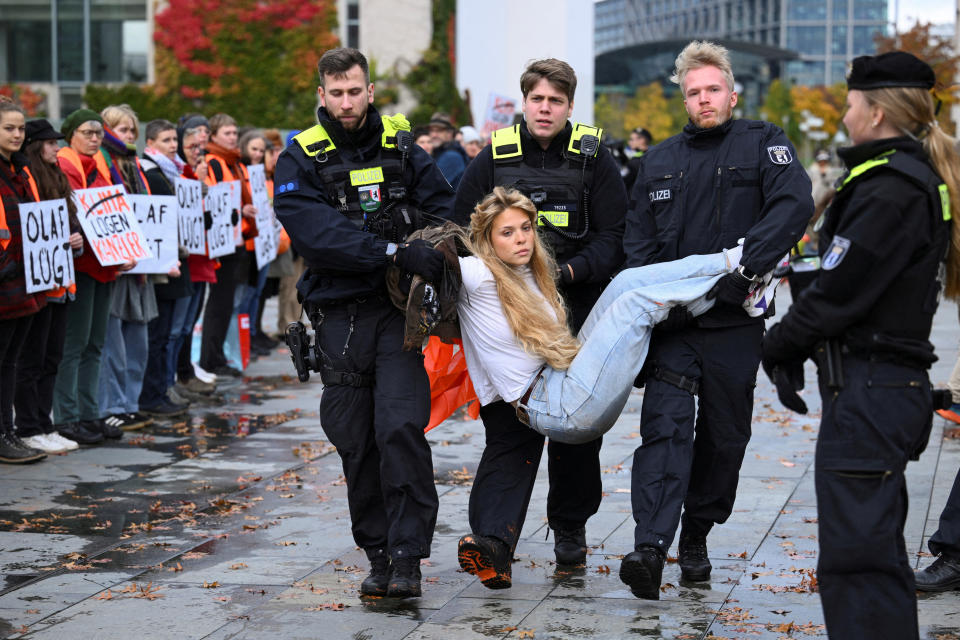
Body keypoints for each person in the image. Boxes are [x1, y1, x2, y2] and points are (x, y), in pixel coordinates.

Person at [453, 186, 747, 586]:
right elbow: (435, 266)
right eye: (507, 233)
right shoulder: (477, 272)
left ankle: (736, 259)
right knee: (633, 306)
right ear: (486, 241)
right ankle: (729, 292)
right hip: (557, 406)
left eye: (526, 228)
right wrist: (412, 254)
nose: (521, 238)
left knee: (625, 282)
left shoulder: (530, 272)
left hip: (565, 382)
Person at [762, 51, 960, 639]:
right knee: (872, 559)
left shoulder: (891, 188)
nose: (845, 117)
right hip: (874, 388)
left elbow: (840, 292)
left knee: (859, 565)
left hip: (873, 391)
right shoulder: (894, 179)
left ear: (875, 113)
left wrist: (778, 345)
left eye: (850, 106)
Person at [620, 40, 812, 599]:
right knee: (665, 430)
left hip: (734, 321)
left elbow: (793, 205)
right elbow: (639, 242)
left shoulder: (765, 143)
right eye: (693, 93)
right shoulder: (658, 160)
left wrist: (748, 270)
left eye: (712, 90)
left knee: (724, 439)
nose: (704, 101)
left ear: (732, 91)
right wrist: (660, 300)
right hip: (676, 328)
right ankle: (650, 548)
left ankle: (696, 536)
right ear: (683, 99)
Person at [273, 47, 455, 599]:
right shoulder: (300, 158)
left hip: (398, 318)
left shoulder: (402, 146)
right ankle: (377, 553)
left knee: (400, 429)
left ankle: (408, 559)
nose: (347, 102)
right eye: (336, 92)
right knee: (356, 442)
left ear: (370, 92)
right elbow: (317, 236)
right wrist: (395, 250)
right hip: (338, 321)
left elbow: (445, 212)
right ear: (321, 96)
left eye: (355, 91)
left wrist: (425, 241)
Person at [454, 58, 627, 569]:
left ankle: (569, 528)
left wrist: (567, 274)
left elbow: (617, 237)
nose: (545, 108)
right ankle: (491, 543)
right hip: (506, 317)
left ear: (570, 106)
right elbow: (460, 229)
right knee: (510, 430)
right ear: (524, 102)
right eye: (537, 99)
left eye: (555, 101)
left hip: (576, 311)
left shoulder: (594, 158)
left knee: (576, 432)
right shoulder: (494, 155)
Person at [53, 109, 135, 446]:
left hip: (105, 266)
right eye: (88, 132)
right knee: (75, 345)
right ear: (71, 134)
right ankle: (67, 417)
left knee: (95, 344)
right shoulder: (65, 167)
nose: (95, 138)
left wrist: (125, 248)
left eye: (99, 133)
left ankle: (90, 413)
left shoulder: (102, 165)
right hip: (81, 268)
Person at [14, 119, 85, 454]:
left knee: (52, 356)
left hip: (62, 282)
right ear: (36, 145)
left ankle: (44, 422)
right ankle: (28, 425)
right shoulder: (29, 178)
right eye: (51, 142)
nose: (58, 147)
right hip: (41, 285)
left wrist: (76, 240)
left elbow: (71, 226)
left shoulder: (58, 178)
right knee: (33, 358)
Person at [97, 104, 161, 429]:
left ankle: (129, 402)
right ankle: (112, 405)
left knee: (138, 341)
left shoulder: (134, 165)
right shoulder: (103, 164)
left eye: (132, 130)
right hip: (118, 265)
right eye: (122, 130)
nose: (129, 136)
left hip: (140, 266)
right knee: (114, 346)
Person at [138, 118, 199, 415]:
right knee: (161, 334)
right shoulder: (151, 173)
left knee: (168, 334)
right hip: (165, 263)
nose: (173, 146)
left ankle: (162, 389)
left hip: (177, 260)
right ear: (150, 144)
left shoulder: (173, 172)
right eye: (166, 141)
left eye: (174, 140)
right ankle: (153, 394)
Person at [0, 99, 47, 464]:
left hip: (23, 280)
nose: (17, 135)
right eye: (9, 128)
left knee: (10, 362)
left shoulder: (21, 170)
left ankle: (8, 431)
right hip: (6, 279)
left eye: (20, 128)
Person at [199, 112, 256, 378]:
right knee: (219, 304)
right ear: (213, 136)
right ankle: (211, 358)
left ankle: (216, 355)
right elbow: (215, 197)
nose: (233, 138)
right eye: (227, 134)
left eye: (235, 133)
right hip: (223, 241)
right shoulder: (215, 161)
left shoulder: (233, 162)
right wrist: (238, 208)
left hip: (236, 238)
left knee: (226, 303)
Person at [429, 114, 469, 188]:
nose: (434, 135)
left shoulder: (451, 156)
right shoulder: (439, 152)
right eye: (431, 130)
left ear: (449, 133)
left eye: (439, 130)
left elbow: (430, 186)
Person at [623, 127, 652, 195]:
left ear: (642, 140)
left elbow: (623, 180)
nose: (629, 142)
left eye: (632, 139)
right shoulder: (653, 155)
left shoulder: (636, 161)